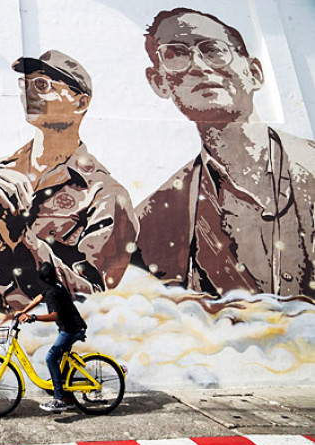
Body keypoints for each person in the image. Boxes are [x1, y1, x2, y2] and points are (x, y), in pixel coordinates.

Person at [0, 50, 138, 311]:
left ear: (80, 103)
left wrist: (23, 237)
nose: (29, 93)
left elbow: (95, 300)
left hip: (41, 330)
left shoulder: (104, 194)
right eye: (24, 84)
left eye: (42, 85)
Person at [134, 8, 315, 298]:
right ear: (159, 83)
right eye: (175, 55)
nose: (197, 66)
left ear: (254, 73)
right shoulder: (154, 218)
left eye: (213, 50)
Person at [18, 261, 87, 412]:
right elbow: (38, 298)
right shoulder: (55, 285)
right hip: (73, 327)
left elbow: (54, 315)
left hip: (71, 330)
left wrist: (33, 317)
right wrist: (23, 312)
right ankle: (67, 397)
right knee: (62, 361)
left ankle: (59, 398)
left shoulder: (52, 293)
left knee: (50, 358)